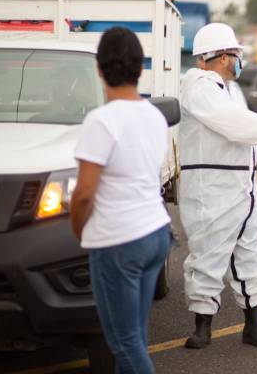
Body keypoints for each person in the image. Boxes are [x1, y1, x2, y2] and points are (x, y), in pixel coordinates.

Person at [178, 23, 257, 349]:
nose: (239, 60)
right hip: (211, 187)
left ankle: (253, 326)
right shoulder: (199, 87)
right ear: (220, 56)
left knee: (249, 256)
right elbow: (234, 124)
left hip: (240, 187)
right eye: (235, 54)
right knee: (208, 256)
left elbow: (241, 121)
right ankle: (202, 327)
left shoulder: (229, 89)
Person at [70, 27, 172, 373]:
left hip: (119, 241)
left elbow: (83, 194)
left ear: (99, 69)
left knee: (124, 343)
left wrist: (79, 232)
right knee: (135, 336)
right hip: (155, 233)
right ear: (140, 69)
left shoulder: (101, 120)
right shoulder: (154, 116)